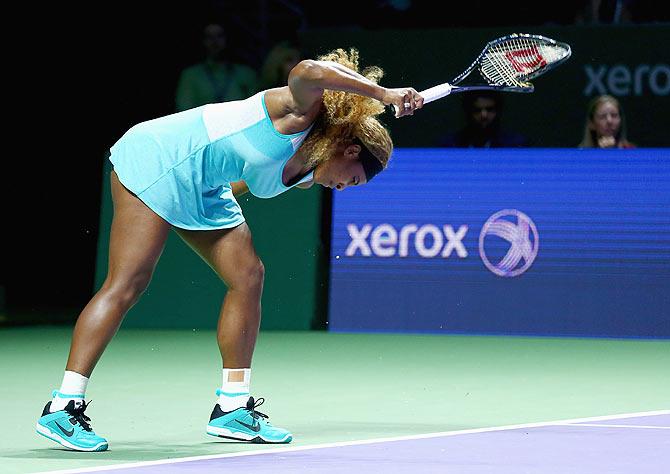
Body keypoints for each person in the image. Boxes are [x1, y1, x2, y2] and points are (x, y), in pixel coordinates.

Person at [35, 47, 423, 451]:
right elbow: (309, 70)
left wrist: (209, 211)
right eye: (352, 181)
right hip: (163, 158)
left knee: (248, 275)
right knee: (128, 282)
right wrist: (385, 95)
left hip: (206, 185)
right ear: (350, 150)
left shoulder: (307, 171)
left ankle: (232, 409)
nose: (342, 189)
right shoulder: (298, 113)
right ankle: (62, 407)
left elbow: (238, 176)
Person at [175, 23, 258, 111]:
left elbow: (255, 110)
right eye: (209, 37)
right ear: (202, 41)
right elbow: (184, 110)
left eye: (219, 36)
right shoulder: (190, 75)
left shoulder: (246, 74)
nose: (214, 41)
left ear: (228, 39)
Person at [439, 90, 528, 148]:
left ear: (498, 111)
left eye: (490, 109)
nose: (484, 115)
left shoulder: (515, 145)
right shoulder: (450, 145)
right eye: (477, 110)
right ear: (468, 112)